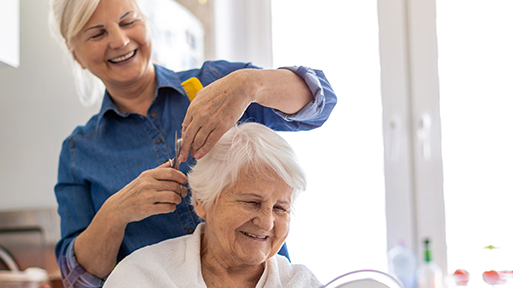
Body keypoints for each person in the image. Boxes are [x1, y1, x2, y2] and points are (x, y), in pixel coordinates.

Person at [50, 0, 337, 286]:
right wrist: (116, 213)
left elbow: (321, 102)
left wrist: (250, 85)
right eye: (97, 34)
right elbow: (80, 279)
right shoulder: (80, 152)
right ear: (74, 52)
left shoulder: (215, 85)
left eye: (128, 22)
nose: (120, 40)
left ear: (146, 23)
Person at [103, 122, 319, 288]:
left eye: (280, 208)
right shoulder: (141, 276)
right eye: (252, 202)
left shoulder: (301, 282)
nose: (266, 223)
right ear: (202, 201)